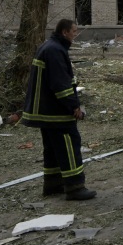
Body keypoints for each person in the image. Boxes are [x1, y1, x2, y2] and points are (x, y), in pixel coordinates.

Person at [22, 19, 96, 200]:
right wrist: (74, 106)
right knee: (69, 145)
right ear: (65, 32)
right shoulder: (55, 51)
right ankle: (75, 187)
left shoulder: (49, 46)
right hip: (55, 112)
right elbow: (60, 84)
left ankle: (53, 184)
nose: (75, 35)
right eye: (74, 31)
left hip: (44, 111)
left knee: (53, 148)